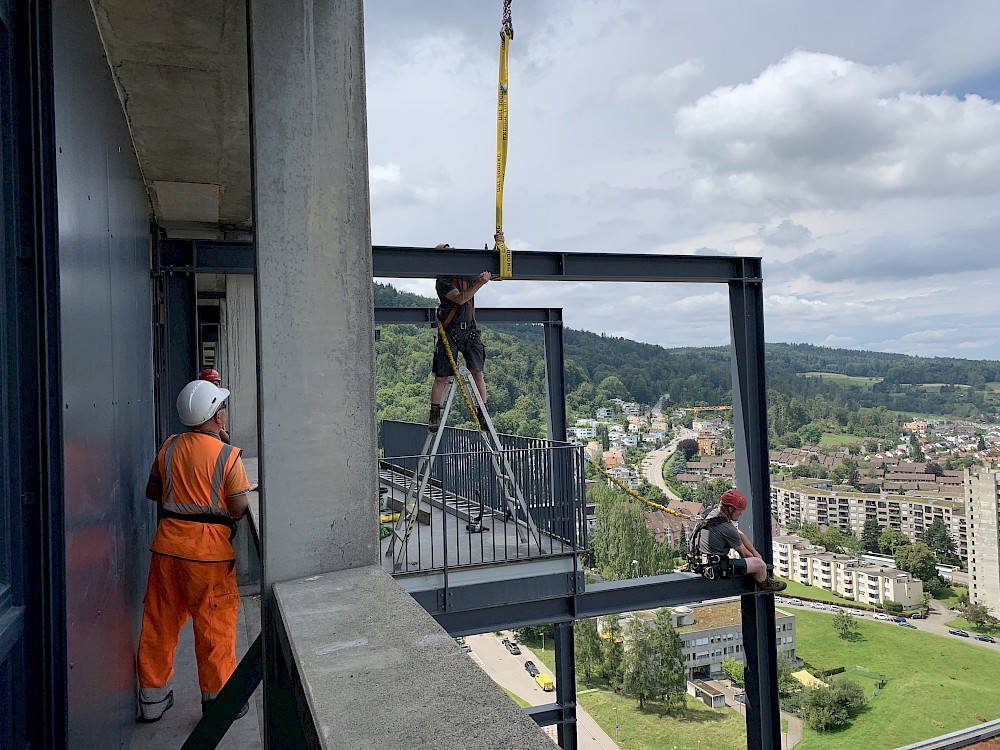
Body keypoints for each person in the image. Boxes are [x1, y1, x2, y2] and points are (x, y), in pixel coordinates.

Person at [135, 379, 251, 722]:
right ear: (216, 418)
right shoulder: (228, 457)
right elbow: (239, 506)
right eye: (222, 409)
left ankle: (152, 702)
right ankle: (217, 704)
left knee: (159, 623)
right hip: (209, 555)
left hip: (168, 547)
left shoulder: (169, 447)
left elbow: (154, 492)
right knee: (214, 628)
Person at [428, 234, 502, 431]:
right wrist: (479, 284)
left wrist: (499, 244)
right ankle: (434, 414)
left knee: (477, 373)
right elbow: (460, 299)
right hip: (450, 330)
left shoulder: (466, 274)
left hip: (469, 330)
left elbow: (493, 268)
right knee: (441, 377)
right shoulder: (443, 281)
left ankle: (482, 413)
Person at [689, 488, 786, 592]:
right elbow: (745, 555)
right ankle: (765, 583)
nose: (741, 514)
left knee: (756, 559)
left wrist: (755, 552)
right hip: (714, 568)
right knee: (760, 565)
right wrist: (758, 560)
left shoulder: (711, 515)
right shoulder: (727, 528)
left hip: (699, 564)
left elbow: (738, 533)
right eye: (739, 511)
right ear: (731, 509)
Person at [198, 368, 231, 443]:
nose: (214, 388)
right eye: (210, 385)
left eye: (216, 384)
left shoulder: (219, 402)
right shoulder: (200, 406)